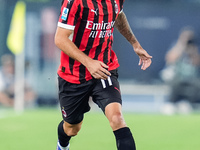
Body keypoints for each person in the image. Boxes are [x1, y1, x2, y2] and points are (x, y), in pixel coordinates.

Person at [54, 0, 152, 150]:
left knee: (117, 118)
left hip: (104, 68)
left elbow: (118, 15)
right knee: (72, 128)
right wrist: (88, 62)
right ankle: (62, 145)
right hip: (74, 74)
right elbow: (60, 38)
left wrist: (135, 44)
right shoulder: (75, 2)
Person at [160, 27, 200, 114]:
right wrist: (181, 44)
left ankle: (188, 103)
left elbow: (196, 63)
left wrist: (193, 52)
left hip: (191, 78)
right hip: (177, 76)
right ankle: (171, 103)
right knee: (174, 82)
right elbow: (170, 59)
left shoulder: (195, 48)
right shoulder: (177, 46)